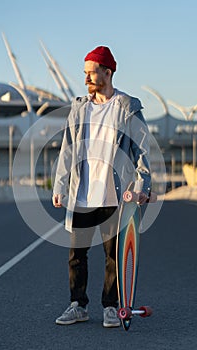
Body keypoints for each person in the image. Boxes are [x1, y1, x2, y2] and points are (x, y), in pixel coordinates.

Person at [52, 46, 151, 327]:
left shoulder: (127, 107)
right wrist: (60, 185)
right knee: (77, 255)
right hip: (82, 193)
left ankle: (110, 306)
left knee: (113, 256)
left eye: (91, 72)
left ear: (108, 72)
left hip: (113, 195)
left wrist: (142, 185)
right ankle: (77, 305)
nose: (87, 78)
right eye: (85, 73)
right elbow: (68, 149)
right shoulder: (80, 107)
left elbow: (143, 151)